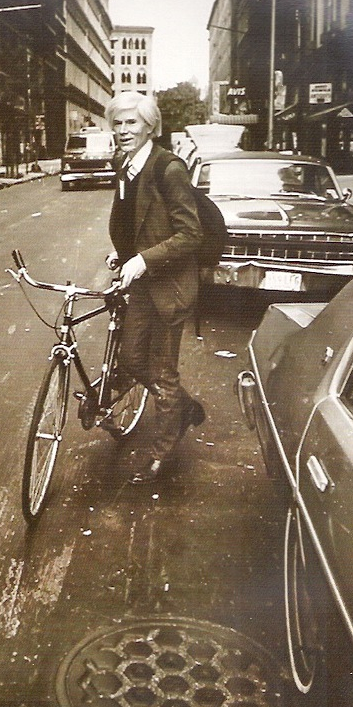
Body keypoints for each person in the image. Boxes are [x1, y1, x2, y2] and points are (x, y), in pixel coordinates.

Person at [105, 91, 205, 484]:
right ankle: (180, 405)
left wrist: (144, 259)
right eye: (118, 123)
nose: (124, 130)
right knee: (130, 360)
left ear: (149, 126)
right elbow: (137, 220)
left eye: (132, 123)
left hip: (170, 288)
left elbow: (191, 234)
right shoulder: (125, 165)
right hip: (144, 284)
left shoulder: (169, 168)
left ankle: (161, 453)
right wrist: (124, 253)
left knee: (163, 373)